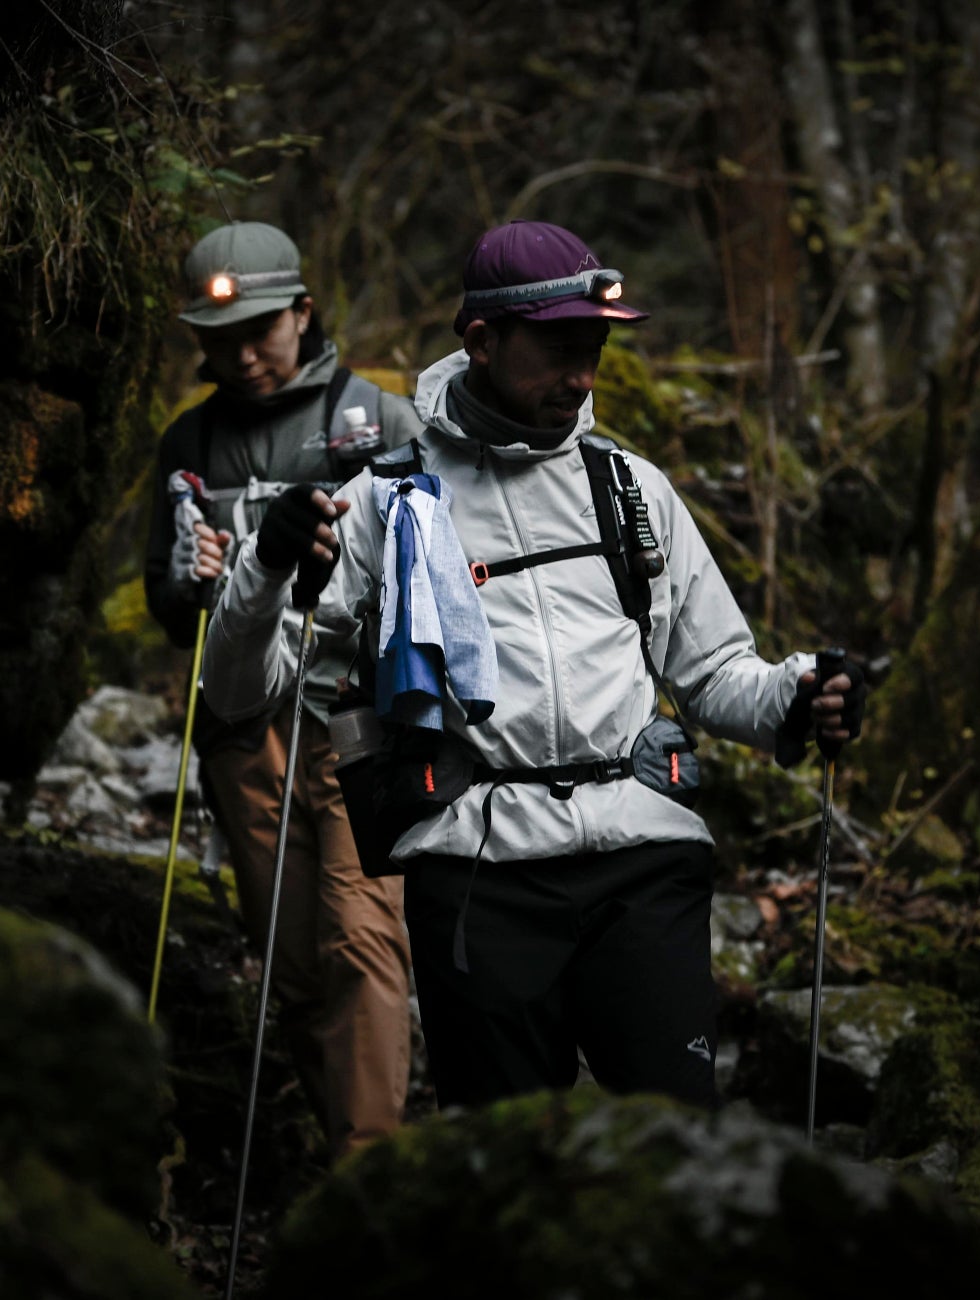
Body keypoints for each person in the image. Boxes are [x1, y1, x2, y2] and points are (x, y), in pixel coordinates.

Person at [200, 220, 860, 1111]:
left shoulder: (629, 489)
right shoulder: (386, 501)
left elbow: (714, 675)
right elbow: (244, 691)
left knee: (677, 1144)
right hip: (477, 878)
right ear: (481, 341)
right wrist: (266, 565)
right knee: (512, 1165)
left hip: (644, 865)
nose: (582, 376)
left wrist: (803, 693)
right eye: (557, 350)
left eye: (592, 348)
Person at [143, 221, 423, 1156]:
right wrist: (193, 576)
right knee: (294, 960)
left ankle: (372, 1174)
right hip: (241, 729)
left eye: (261, 328)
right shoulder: (188, 443)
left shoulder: (383, 423)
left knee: (361, 936)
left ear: (304, 312)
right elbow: (167, 602)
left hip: (357, 719)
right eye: (220, 338)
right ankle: (344, 1134)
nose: (243, 353)